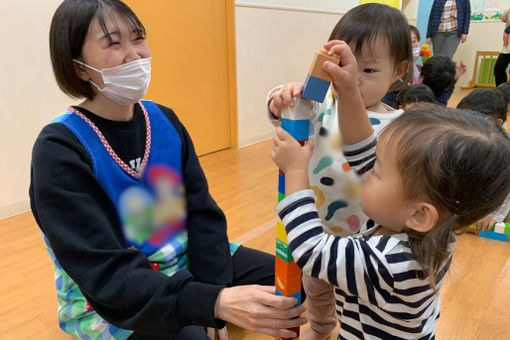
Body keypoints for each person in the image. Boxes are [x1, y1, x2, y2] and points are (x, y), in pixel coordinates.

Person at [29, 1, 306, 339]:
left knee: (294, 289)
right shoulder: (60, 149)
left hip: (184, 261)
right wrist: (211, 303)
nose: (134, 54)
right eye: (113, 42)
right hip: (114, 296)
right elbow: (103, 270)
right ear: (80, 68)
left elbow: (203, 213)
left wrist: (212, 294)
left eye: (138, 37)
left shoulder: (164, 120)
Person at [272, 39, 510, 339]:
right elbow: (362, 152)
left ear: (420, 215)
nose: (365, 171)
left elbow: (312, 252)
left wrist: (295, 172)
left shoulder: (391, 262)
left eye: (377, 170)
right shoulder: (433, 229)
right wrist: (347, 92)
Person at [266, 4, 411, 339]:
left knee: (353, 296)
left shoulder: (399, 126)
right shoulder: (319, 102)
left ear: (399, 70)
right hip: (313, 224)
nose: (351, 80)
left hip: (366, 237)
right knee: (315, 287)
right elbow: (285, 112)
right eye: (345, 67)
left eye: (369, 71)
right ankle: (321, 328)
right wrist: (279, 97)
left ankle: (351, 329)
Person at [457, 88, 510, 231]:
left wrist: (494, 215)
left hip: (499, 199)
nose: (468, 125)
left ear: (497, 123)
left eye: (474, 121)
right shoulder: (465, 137)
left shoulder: (505, 148)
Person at [382, 25, 422, 108]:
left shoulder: (416, 68)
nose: (417, 45)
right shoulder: (391, 73)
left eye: (416, 41)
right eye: (412, 42)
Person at [494, 10, 510, 86]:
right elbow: (504, 19)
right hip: (507, 48)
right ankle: (501, 90)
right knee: (498, 68)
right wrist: (504, 17)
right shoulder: (508, 10)